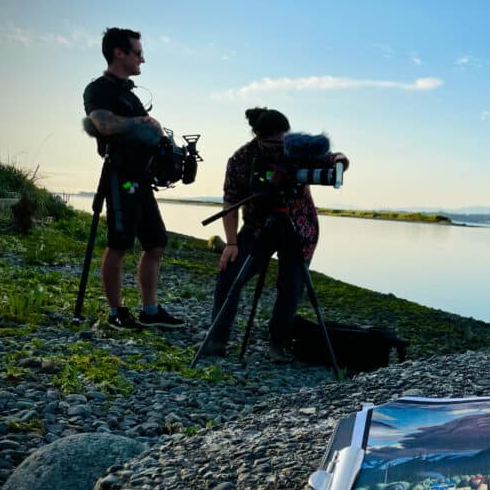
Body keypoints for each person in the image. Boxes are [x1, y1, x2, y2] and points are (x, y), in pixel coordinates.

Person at [203, 107, 349, 362]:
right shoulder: (241, 158)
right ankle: (216, 340)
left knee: (292, 285)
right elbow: (230, 202)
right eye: (272, 142)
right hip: (258, 227)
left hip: (298, 226)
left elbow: (336, 157)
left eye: (282, 139)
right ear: (257, 136)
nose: (278, 147)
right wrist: (231, 243)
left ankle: (278, 344)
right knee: (230, 275)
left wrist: (340, 162)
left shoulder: (298, 148)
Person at [82, 27, 185, 330]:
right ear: (119, 53)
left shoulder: (130, 94)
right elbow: (101, 123)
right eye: (138, 53)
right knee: (119, 243)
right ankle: (116, 312)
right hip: (120, 176)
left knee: (156, 243)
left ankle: (150, 310)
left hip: (141, 178)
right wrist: (141, 121)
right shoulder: (98, 89)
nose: (143, 59)